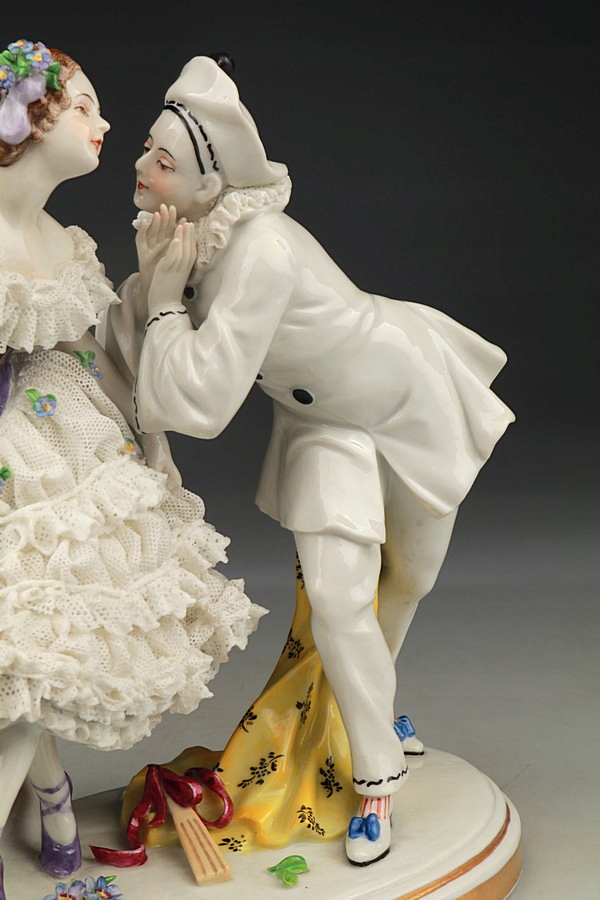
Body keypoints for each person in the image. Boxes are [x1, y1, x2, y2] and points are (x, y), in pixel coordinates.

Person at [107, 55, 514, 867]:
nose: (142, 166)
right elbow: (162, 376)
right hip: (327, 427)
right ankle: (377, 777)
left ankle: (365, 710)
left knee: (408, 582)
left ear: (209, 183)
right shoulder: (186, 244)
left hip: (410, 396)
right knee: (338, 598)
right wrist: (152, 296)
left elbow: (201, 397)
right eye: (148, 150)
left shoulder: (262, 248)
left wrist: (164, 300)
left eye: (163, 158)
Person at [0, 41, 264, 898]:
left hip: (63, 444)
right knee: (23, 649)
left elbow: (93, 355)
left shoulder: (61, 243)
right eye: (83, 107)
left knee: (42, 646)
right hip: (14, 459)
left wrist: (155, 297)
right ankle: (52, 797)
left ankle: (52, 799)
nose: (105, 123)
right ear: (29, 120)